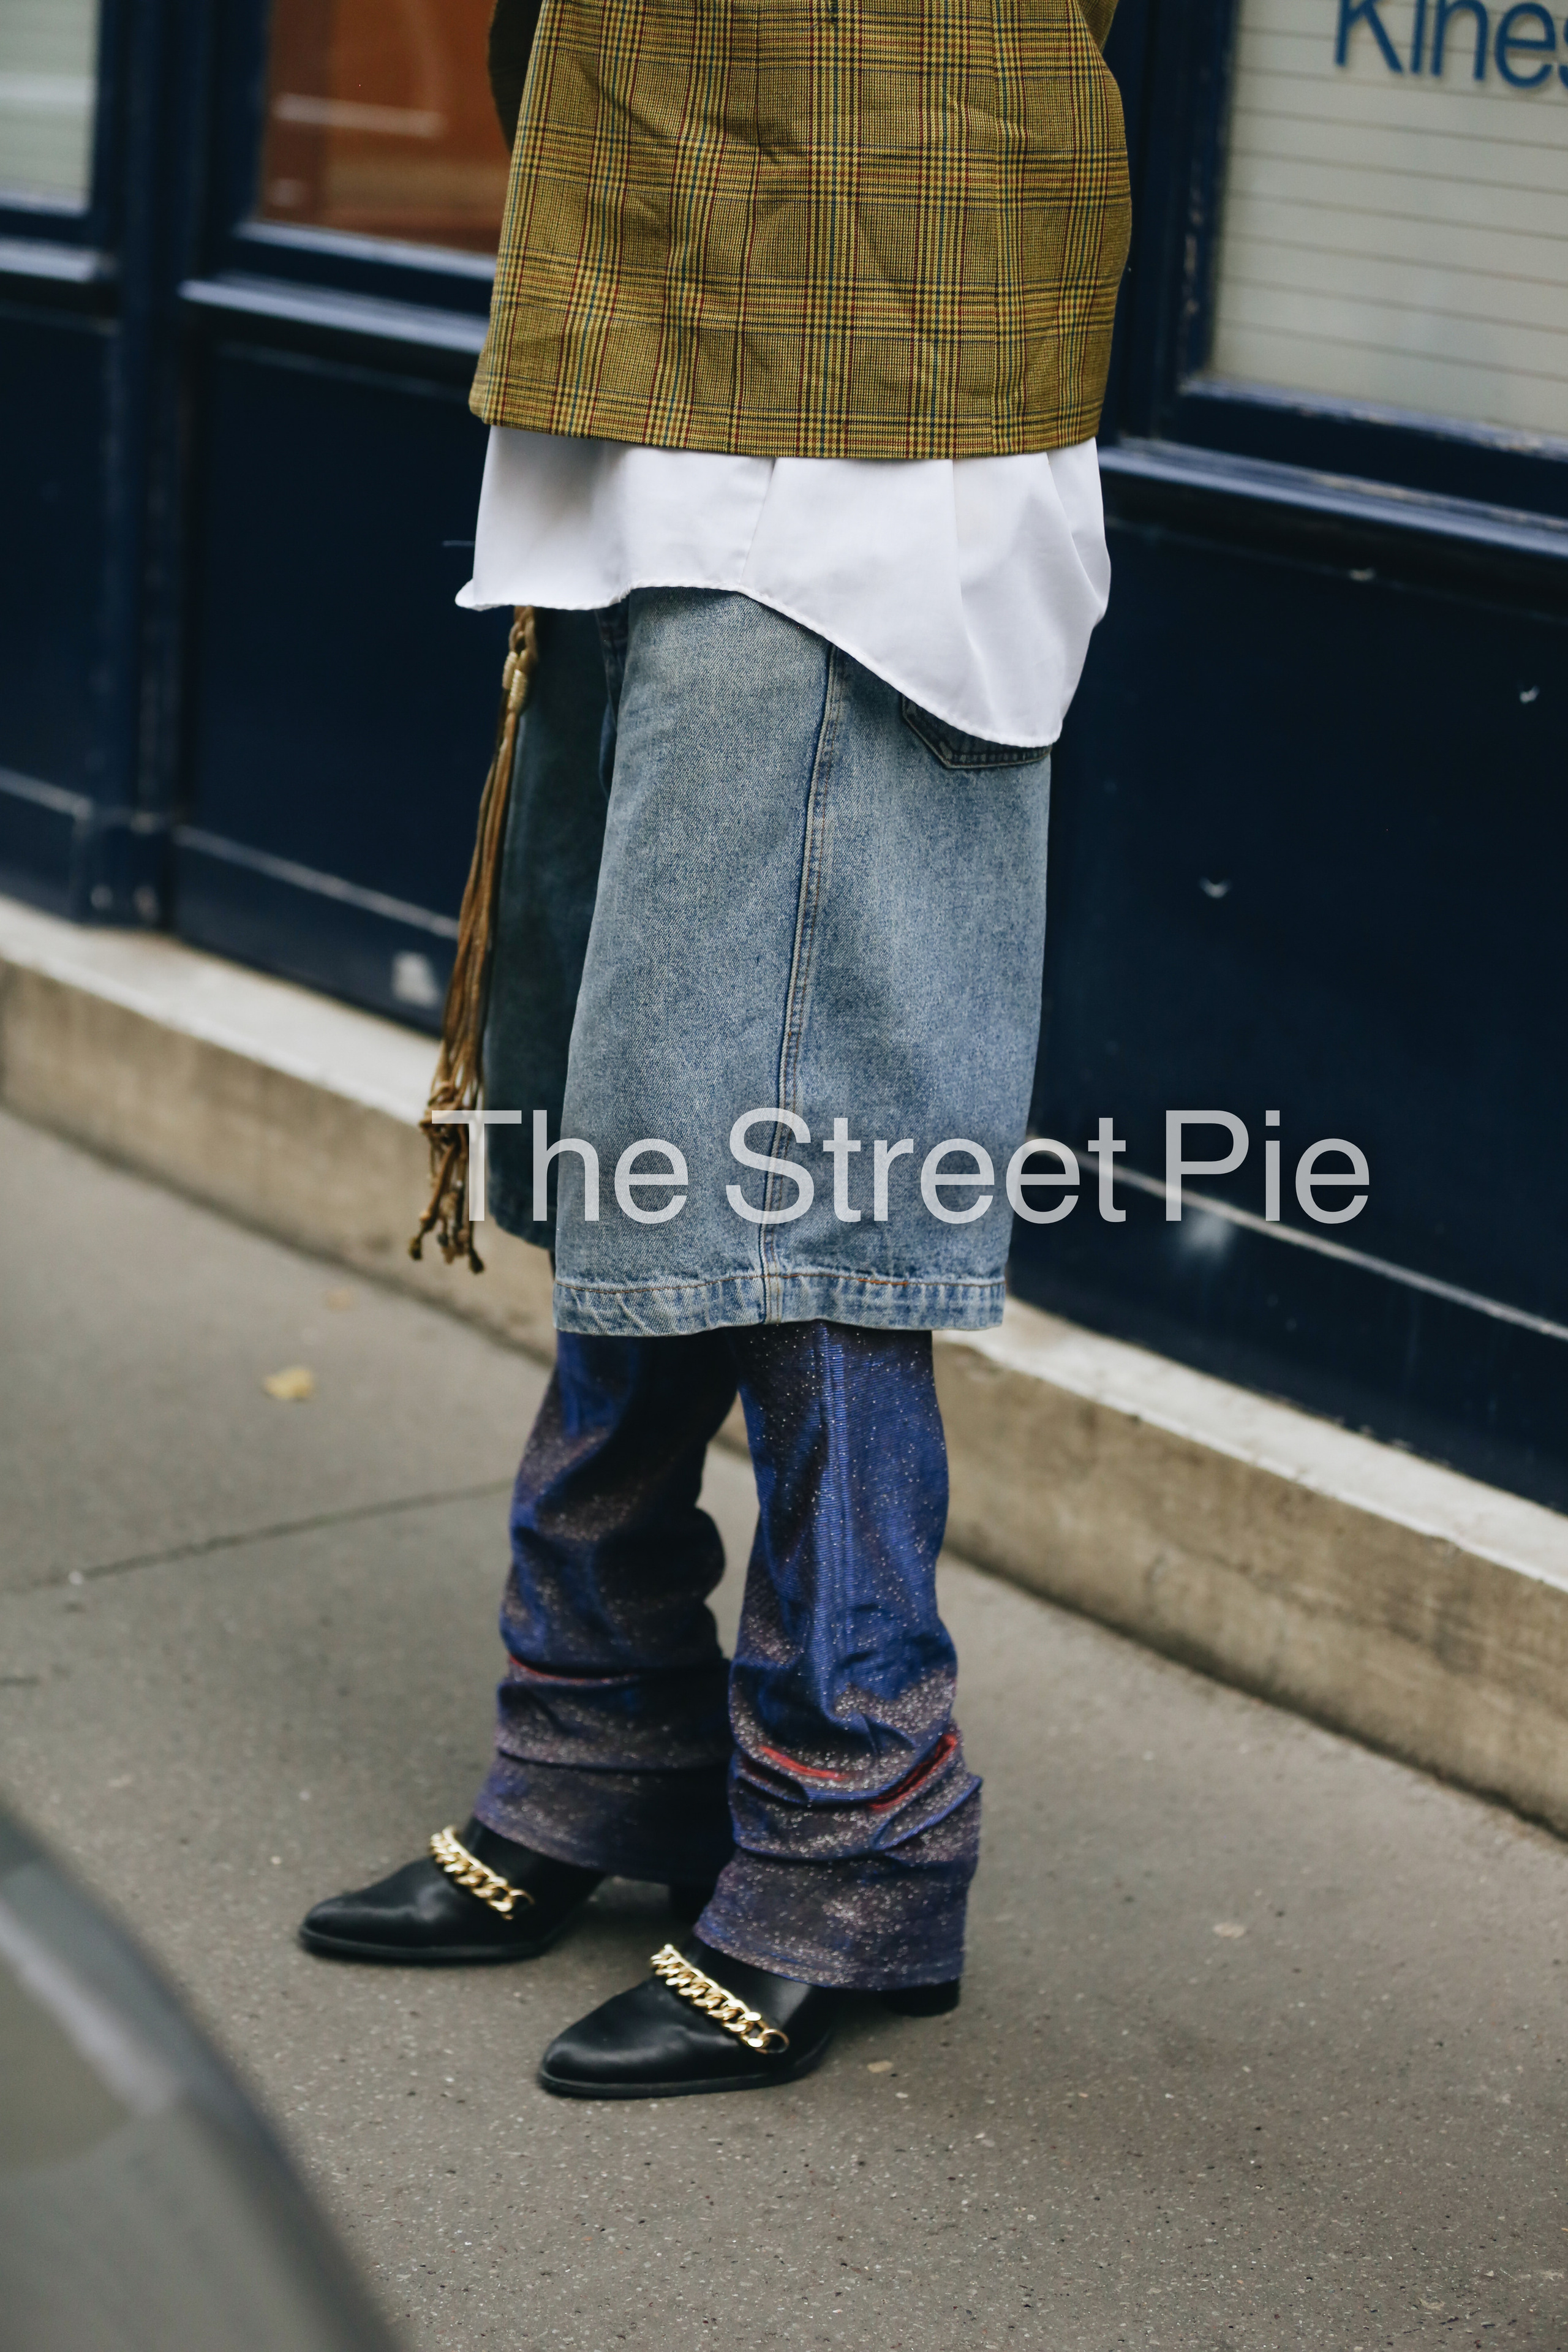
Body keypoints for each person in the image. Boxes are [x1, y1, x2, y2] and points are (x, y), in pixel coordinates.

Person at [300, 0, 1130, 2100]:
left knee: (802, 1162)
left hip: (865, 387)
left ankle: (858, 1826)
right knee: (637, 1130)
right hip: (645, 336)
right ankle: (603, 1742)